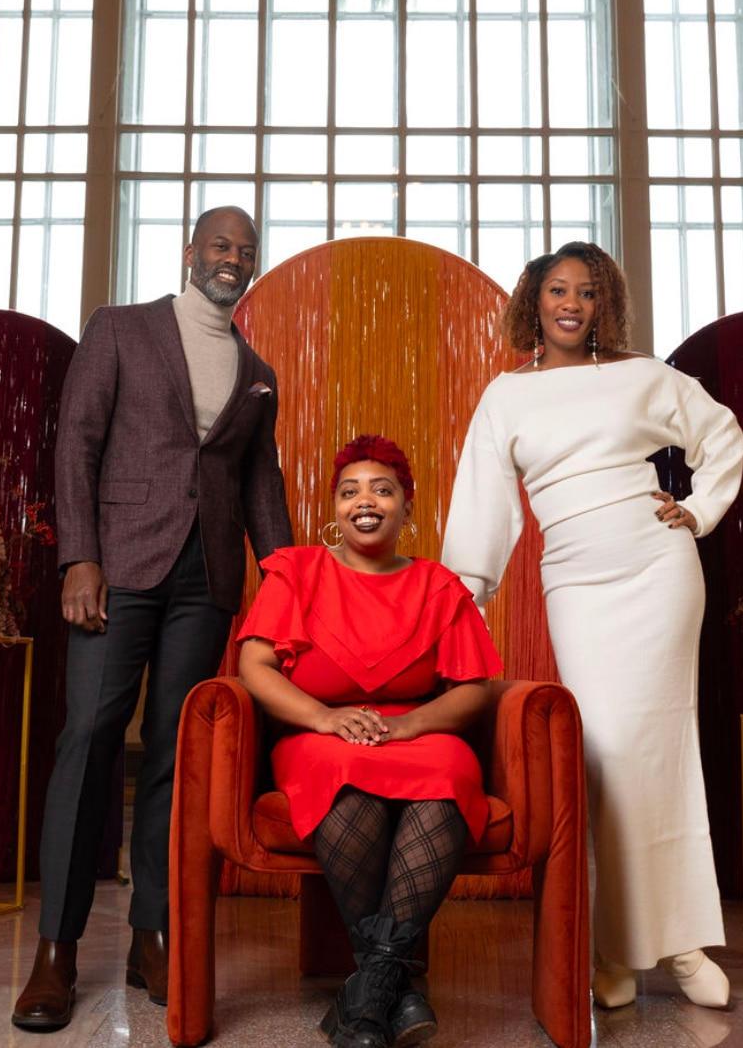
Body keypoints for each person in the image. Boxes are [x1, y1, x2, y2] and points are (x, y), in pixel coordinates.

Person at [441, 242, 743, 1013]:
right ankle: (615, 948)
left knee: (662, 752)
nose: (570, 303)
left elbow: (721, 434)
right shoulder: (505, 397)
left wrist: (698, 510)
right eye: (555, 290)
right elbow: (483, 512)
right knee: (604, 759)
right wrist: (458, 605)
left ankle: (674, 947)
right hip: (575, 583)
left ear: (602, 302)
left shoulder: (641, 376)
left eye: (585, 291)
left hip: (658, 571)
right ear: (534, 303)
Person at [12, 206, 295, 1031]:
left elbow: (258, 487)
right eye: (219, 245)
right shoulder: (122, 328)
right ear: (189, 252)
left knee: (175, 758)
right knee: (89, 738)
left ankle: (152, 936)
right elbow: (78, 442)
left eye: (244, 251)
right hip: (118, 568)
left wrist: (282, 585)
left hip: (204, 582)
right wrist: (79, 557)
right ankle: (55, 952)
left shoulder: (257, 370)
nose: (232, 259)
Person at [237, 434, 502, 1048]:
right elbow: (254, 666)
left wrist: (411, 724)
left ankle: (368, 996)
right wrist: (325, 719)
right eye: (350, 490)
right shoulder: (298, 571)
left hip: (415, 732)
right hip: (319, 731)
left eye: (383, 490)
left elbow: (474, 689)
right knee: (343, 786)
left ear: (407, 508)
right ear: (334, 507)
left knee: (449, 776)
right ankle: (396, 990)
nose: (366, 500)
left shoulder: (439, 585)